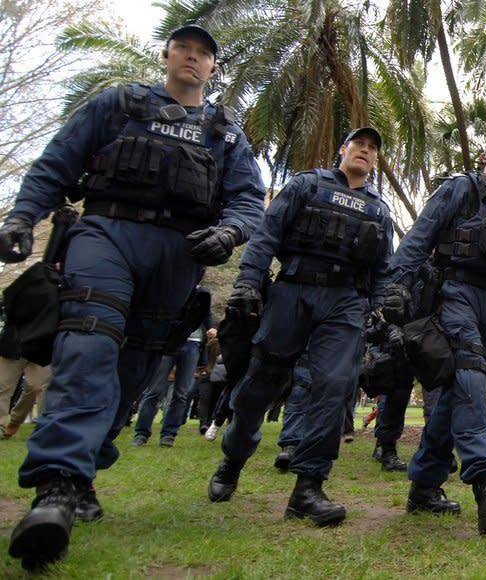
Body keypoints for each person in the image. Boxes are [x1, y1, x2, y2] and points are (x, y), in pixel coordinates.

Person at [1, 24, 265, 569]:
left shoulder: (226, 133)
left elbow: (247, 200)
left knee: (134, 370)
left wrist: (230, 233)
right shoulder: (117, 104)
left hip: (178, 255)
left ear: (214, 68)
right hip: (106, 236)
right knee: (88, 344)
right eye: (184, 50)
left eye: (203, 54)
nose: (192, 59)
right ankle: (55, 490)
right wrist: (22, 216)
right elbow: (56, 163)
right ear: (167, 56)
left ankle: (85, 469)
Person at [207, 127, 394, 528]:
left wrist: (379, 310)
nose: (365, 150)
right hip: (292, 291)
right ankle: (233, 458)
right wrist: (245, 283)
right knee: (261, 384)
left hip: (345, 302)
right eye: (358, 144)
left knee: (333, 387)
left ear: (376, 161)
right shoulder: (306, 185)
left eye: (372, 148)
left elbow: (382, 270)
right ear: (342, 150)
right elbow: (266, 236)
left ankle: (308, 487)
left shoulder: (379, 210)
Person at [384, 132, 486, 535]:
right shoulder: (461, 187)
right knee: (468, 371)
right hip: (456, 293)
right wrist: (396, 285)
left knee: (454, 394)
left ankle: (425, 487)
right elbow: (421, 235)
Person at [131, 303, 215, 447]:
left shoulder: (201, 294)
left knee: (181, 393)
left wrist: (212, 328)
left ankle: (168, 435)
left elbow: (206, 314)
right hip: (167, 341)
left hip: (192, 344)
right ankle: (141, 434)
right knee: (154, 391)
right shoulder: (174, 286)